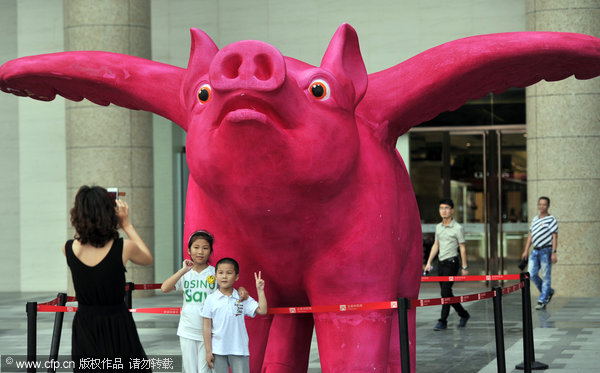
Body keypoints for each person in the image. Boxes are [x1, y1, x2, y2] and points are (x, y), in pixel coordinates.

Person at [62, 185, 153, 372]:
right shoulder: (124, 247)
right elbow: (147, 258)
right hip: (117, 322)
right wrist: (127, 225)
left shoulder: (68, 248)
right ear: (109, 213)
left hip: (85, 324)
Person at [161, 231, 248, 373]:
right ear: (189, 250)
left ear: (210, 252)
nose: (200, 252)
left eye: (205, 248)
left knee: (205, 371)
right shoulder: (185, 273)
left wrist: (242, 288)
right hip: (187, 331)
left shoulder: (215, 273)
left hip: (208, 334)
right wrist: (182, 271)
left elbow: (229, 288)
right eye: (196, 247)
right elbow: (165, 288)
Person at [201, 258, 267, 373]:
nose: (224, 276)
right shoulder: (210, 299)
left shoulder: (242, 297)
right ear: (215, 275)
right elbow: (207, 327)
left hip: (239, 350)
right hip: (218, 350)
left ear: (236, 277)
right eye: (221, 273)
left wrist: (260, 290)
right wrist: (208, 351)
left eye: (229, 273)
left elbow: (262, 310)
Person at [424, 198, 470, 331]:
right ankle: (463, 314)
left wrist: (464, 266)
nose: (443, 211)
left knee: (445, 292)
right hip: (441, 264)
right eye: (441, 208)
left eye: (446, 208)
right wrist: (428, 263)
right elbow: (436, 245)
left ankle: (442, 321)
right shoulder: (438, 227)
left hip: (452, 263)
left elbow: (462, 247)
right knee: (447, 293)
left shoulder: (458, 228)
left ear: (452, 210)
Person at [521, 196, 558, 310]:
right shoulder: (535, 219)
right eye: (540, 204)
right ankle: (548, 292)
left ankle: (542, 300)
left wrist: (554, 252)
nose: (541, 206)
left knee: (546, 276)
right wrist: (526, 250)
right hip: (535, 250)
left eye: (544, 204)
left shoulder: (552, 219)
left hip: (546, 251)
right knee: (531, 274)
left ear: (548, 206)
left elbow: (554, 236)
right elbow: (530, 235)